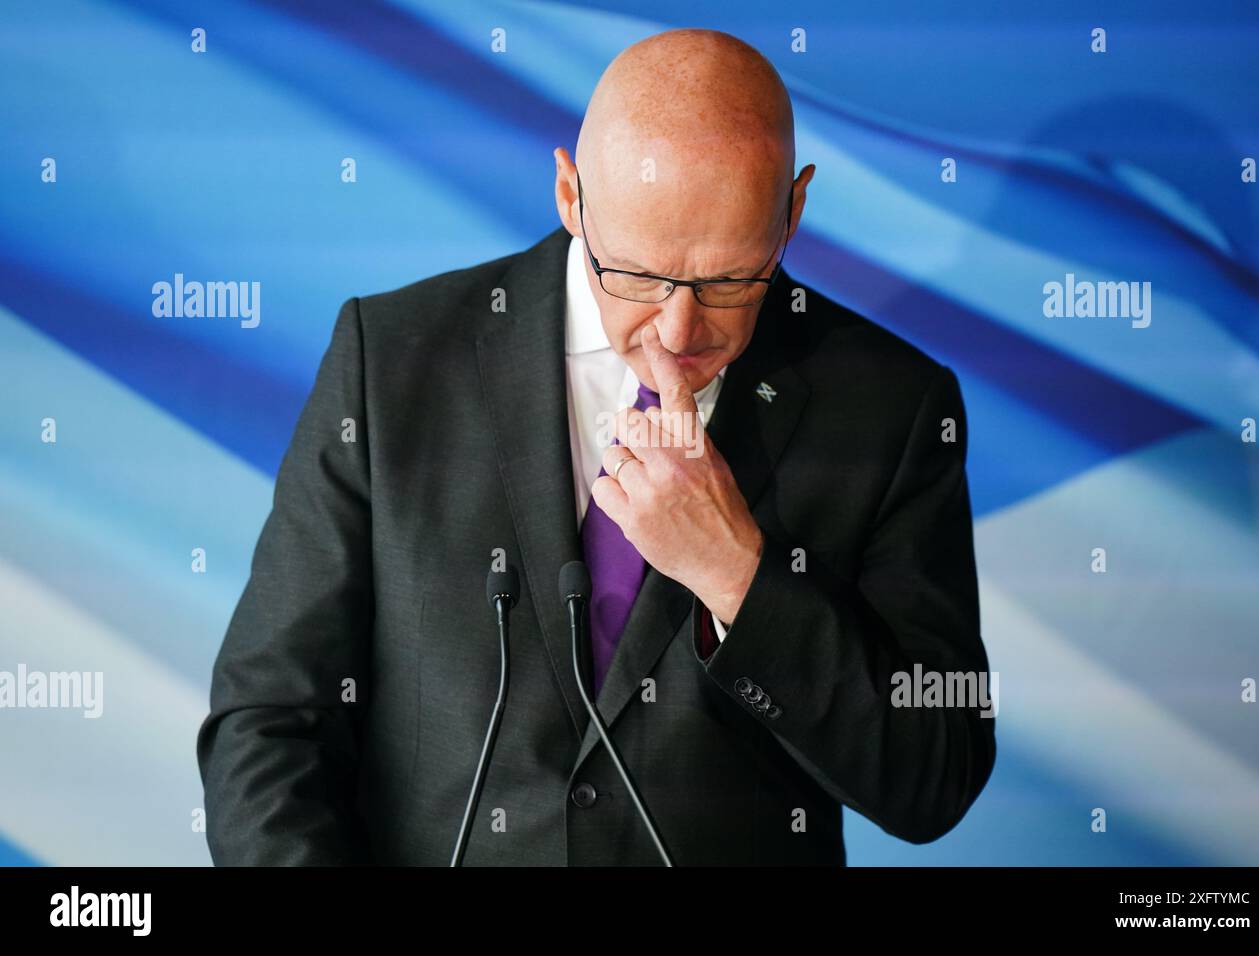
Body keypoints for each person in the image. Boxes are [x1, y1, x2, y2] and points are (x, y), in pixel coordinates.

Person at [197, 28, 995, 866]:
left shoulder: (892, 409)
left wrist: (740, 576)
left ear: (793, 211)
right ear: (571, 197)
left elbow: (933, 776)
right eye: (640, 275)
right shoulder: (391, 361)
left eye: (729, 280)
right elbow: (269, 720)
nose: (681, 327)